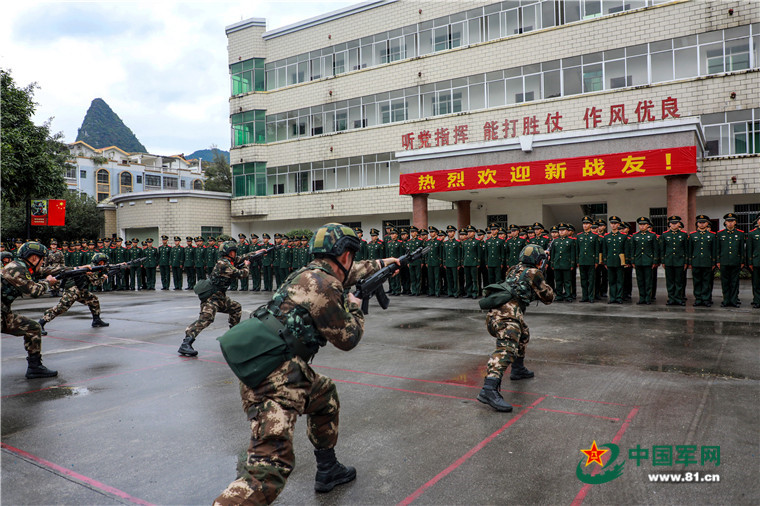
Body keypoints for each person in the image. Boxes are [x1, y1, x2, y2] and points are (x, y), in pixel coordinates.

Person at [214, 224, 399, 505]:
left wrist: (386, 263)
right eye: (351, 255)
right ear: (345, 255)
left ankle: (328, 469)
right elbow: (348, 338)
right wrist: (355, 305)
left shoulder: (309, 274)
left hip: (277, 364)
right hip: (276, 381)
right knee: (268, 473)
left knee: (325, 395)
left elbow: (352, 272)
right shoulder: (325, 286)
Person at [477, 245, 554, 412]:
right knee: (506, 350)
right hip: (507, 316)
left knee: (523, 333)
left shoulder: (514, 269)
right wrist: (543, 272)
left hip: (498, 312)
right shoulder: (534, 273)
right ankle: (488, 389)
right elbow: (548, 297)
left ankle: (518, 369)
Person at [178, 241, 258, 357]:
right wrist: (247, 264)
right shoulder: (223, 263)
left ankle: (233, 336)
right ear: (227, 253)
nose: (234, 254)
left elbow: (241, 258)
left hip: (220, 296)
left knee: (236, 308)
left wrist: (257, 252)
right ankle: (186, 343)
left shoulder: (229, 260)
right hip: (212, 297)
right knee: (206, 318)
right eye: (232, 251)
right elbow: (242, 274)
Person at [1, 242, 60, 378]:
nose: (43, 262)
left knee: (33, 327)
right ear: (34, 258)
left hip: (3, 313)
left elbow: (45, 271)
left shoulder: (21, 266)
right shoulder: (17, 269)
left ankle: (35, 367)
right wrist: (48, 282)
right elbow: (34, 291)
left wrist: (78, 268)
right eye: (42, 259)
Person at [38, 252, 112, 336]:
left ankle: (96, 320)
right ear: (100, 262)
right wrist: (104, 277)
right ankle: (41, 323)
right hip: (72, 290)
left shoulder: (94, 267)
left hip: (80, 290)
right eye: (103, 262)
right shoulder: (91, 269)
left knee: (93, 300)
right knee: (61, 308)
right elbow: (96, 283)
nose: (104, 264)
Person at [716, 213, 745, 307]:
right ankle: (726, 300)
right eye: (728, 221)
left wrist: (742, 261)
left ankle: (734, 301)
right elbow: (718, 249)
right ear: (725, 222)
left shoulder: (740, 234)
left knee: (734, 282)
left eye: (732, 221)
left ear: (735, 222)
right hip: (724, 262)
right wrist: (718, 261)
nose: (730, 223)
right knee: (725, 282)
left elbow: (742, 249)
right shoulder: (720, 234)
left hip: (735, 262)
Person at [688, 215, 717, 307]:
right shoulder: (692, 235)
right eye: (700, 222)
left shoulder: (712, 235)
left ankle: (706, 299)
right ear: (697, 224)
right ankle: (698, 299)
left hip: (707, 262)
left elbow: (714, 250)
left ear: (707, 223)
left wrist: (713, 262)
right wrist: (690, 262)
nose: (701, 224)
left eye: (703, 222)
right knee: (697, 282)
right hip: (696, 262)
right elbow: (690, 250)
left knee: (706, 282)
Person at [660, 215, 689, 306]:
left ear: (679, 224)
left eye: (675, 223)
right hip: (669, 261)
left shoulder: (683, 235)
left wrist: (685, 261)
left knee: (679, 281)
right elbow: (662, 249)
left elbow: (686, 249)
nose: (673, 225)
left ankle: (678, 298)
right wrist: (663, 261)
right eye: (672, 223)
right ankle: (671, 298)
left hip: (679, 261)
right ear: (669, 225)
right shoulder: (665, 235)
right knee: (670, 281)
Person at [631, 217, 659, 305]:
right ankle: (641, 297)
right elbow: (633, 249)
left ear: (647, 225)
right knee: (640, 280)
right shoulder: (635, 236)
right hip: (638, 260)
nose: (642, 226)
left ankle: (648, 298)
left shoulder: (652, 236)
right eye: (640, 225)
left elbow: (655, 249)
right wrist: (633, 261)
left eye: (644, 225)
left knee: (648, 280)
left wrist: (655, 261)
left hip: (648, 261)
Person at [747, 213, 760, 309]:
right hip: (757, 262)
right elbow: (749, 250)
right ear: (757, 221)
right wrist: (750, 262)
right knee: (756, 283)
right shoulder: (752, 233)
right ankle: (757, 300)